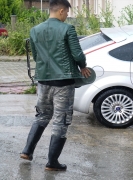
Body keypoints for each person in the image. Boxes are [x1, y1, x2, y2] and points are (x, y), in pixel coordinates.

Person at [20, 0, 91, 171]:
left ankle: (27, 151)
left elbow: (37, 57)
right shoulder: (67, 29)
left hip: (43, 80)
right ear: (60, 10)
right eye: (67, 12)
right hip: (63, 82)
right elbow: (77, 53)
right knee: (61, 121)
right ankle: (52, 162)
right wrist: (83, 66)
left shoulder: (35, 30)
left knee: (42, 116)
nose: (67, 16)